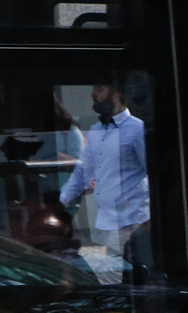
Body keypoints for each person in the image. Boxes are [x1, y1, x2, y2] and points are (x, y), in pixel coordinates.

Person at [58, 80, 150, 278]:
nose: (93, 94)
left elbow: (151, 170)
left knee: (123, 276)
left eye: (99, 89)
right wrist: (59, 202)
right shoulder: (95, 131)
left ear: (117, 94)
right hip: (102, 224)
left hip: (131, 221)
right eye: (93, 89)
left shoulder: (137, 129)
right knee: (106, 275)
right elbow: (82, 173)